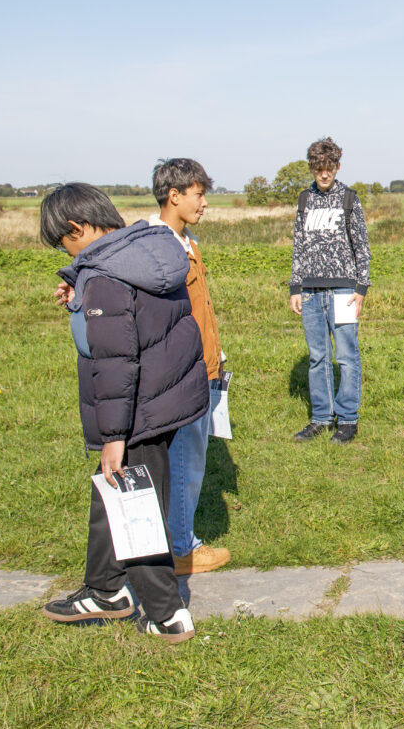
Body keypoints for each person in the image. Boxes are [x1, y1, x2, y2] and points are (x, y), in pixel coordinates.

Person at [40, 183, 209, 642]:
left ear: (77, 227)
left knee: (137, 508)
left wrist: (114, 436)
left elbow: (116, 361)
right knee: (111, 493)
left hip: (137, 410)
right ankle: (105, 590)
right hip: (166, 396)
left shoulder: (106, 278)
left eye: (62, 241)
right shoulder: (144, 251)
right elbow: (142, 320)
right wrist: (81, 296)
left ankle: (167, 614)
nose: (65, 250)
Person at [149, 158, 231, 576]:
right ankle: (182, 548)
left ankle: (176, 540)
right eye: (198, 195)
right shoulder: (155, 245)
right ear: (174, 195)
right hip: (184, 373)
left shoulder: (186, 241)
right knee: (184, 462)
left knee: (190, 459)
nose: (204, 203)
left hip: (204, 366)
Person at [290, 138, 371, 444]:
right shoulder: (304, 200)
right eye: (318, 168)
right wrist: (295, 287)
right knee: (317, 357)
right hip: (310, 292)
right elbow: (298, 245)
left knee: (347, 356)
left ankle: (348, 420)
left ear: (337, 167)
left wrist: (361, 287)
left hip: (344, 291)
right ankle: (321, 418)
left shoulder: (349, 198)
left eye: (329, 168)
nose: (324, 174)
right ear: (312, 168)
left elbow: (362, 246)